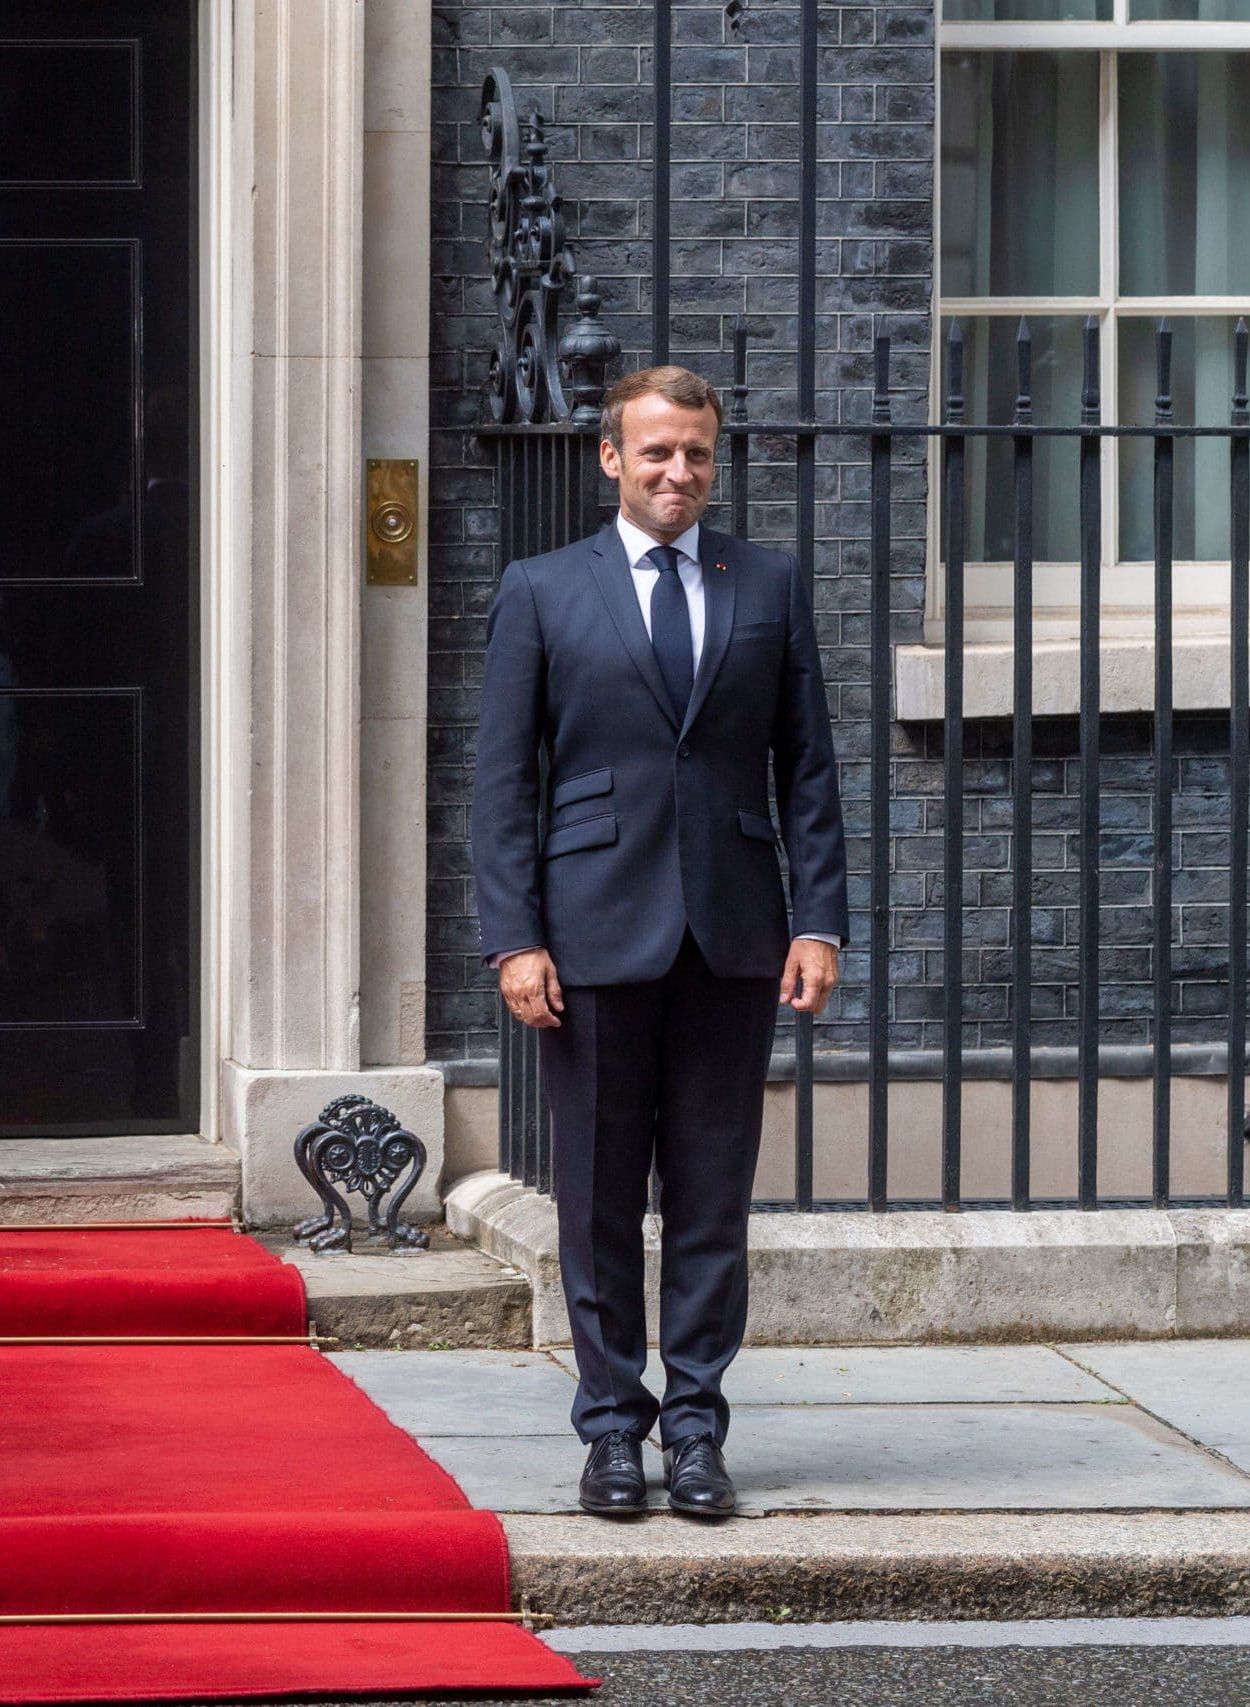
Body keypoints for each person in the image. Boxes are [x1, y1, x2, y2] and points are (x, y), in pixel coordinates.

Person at [469, 366, 846, 1520]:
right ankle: (608, 1433)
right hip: (586, 941)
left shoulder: (765, 582)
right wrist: (513, 939)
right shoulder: (541, 590)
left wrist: (818, 918)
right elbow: (500, 784)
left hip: (733, 937)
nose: (677, 472)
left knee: (708, 1197)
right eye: (655, 453)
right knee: (591, 1200)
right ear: (609, 459)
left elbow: (810, 769)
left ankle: (695, 1427)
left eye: (694, 454)